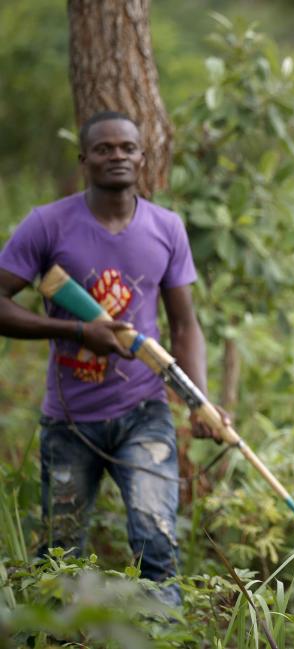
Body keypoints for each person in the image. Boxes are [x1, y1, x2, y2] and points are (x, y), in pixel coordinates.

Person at [0, 111, 225, 608]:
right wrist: (77, 330)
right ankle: (56, 638)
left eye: (127, 147)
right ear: (84, 160)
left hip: (144, 414)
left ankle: (161, 638)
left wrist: (199, 401)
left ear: (142, 157)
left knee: (157, 542)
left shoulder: (166, 227)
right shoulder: (47, 224)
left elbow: (185, 326)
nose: (117, 156)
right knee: (60, 557)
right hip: (69, 420)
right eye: (104, 148)